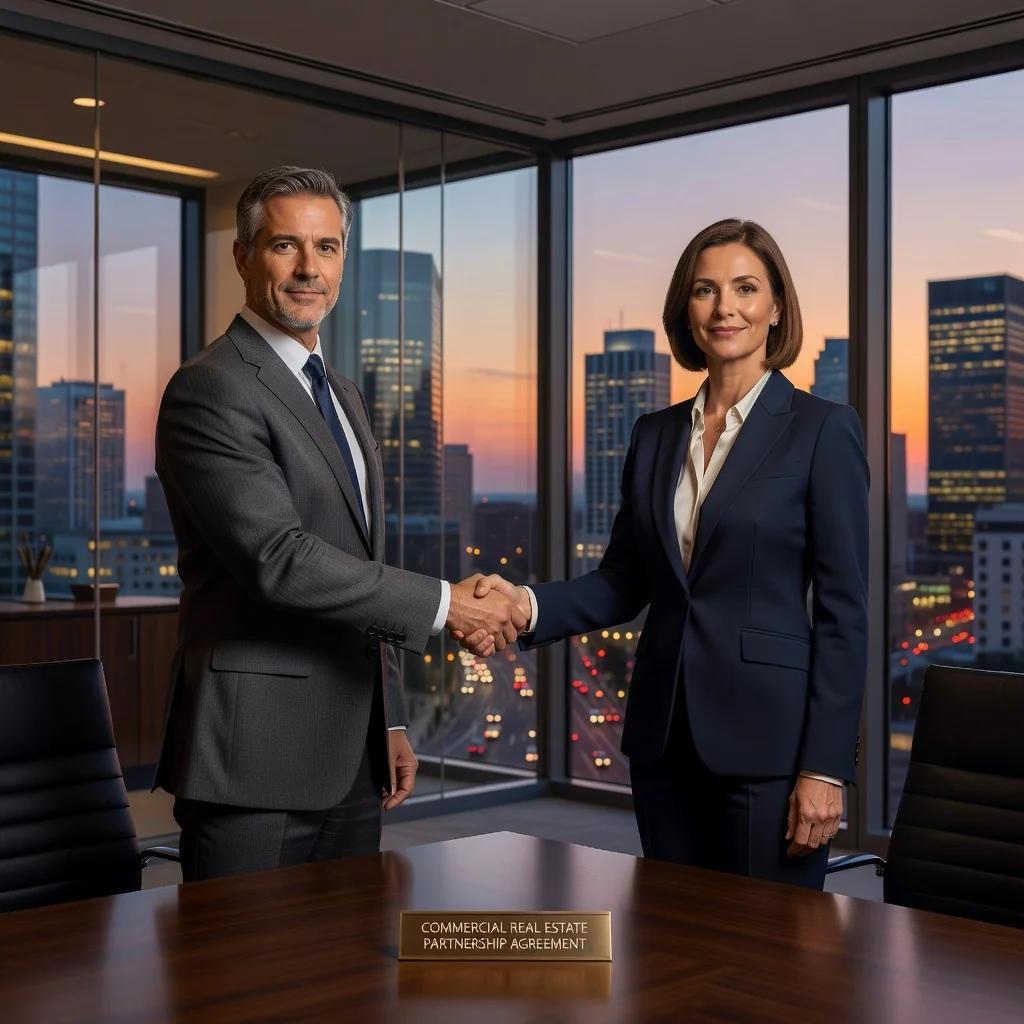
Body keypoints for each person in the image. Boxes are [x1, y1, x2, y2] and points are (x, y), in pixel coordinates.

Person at [465, 219, 868, 890]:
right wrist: (522, 603)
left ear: (776, 307)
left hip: (768, 749)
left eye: (746, 288)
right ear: (688, 309)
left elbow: (845, 612)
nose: (725, 307)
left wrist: (825, 768)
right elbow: (625, 579)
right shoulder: (655, 434)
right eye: (705, 290)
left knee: (768, 958)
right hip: (663, 739)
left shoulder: (822, 430)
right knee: (673, 945)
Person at [154, 165, 525, 881]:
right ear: (244, 256)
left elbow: (356, 559)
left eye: (326, 248)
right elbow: (281, 559)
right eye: (284, 245)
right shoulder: (213, 387)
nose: (307, 268)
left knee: (346, 976)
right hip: (253, 756)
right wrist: (448, 604)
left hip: (353, 755)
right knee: (243, 978)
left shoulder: (344, 396)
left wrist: (387, 719)